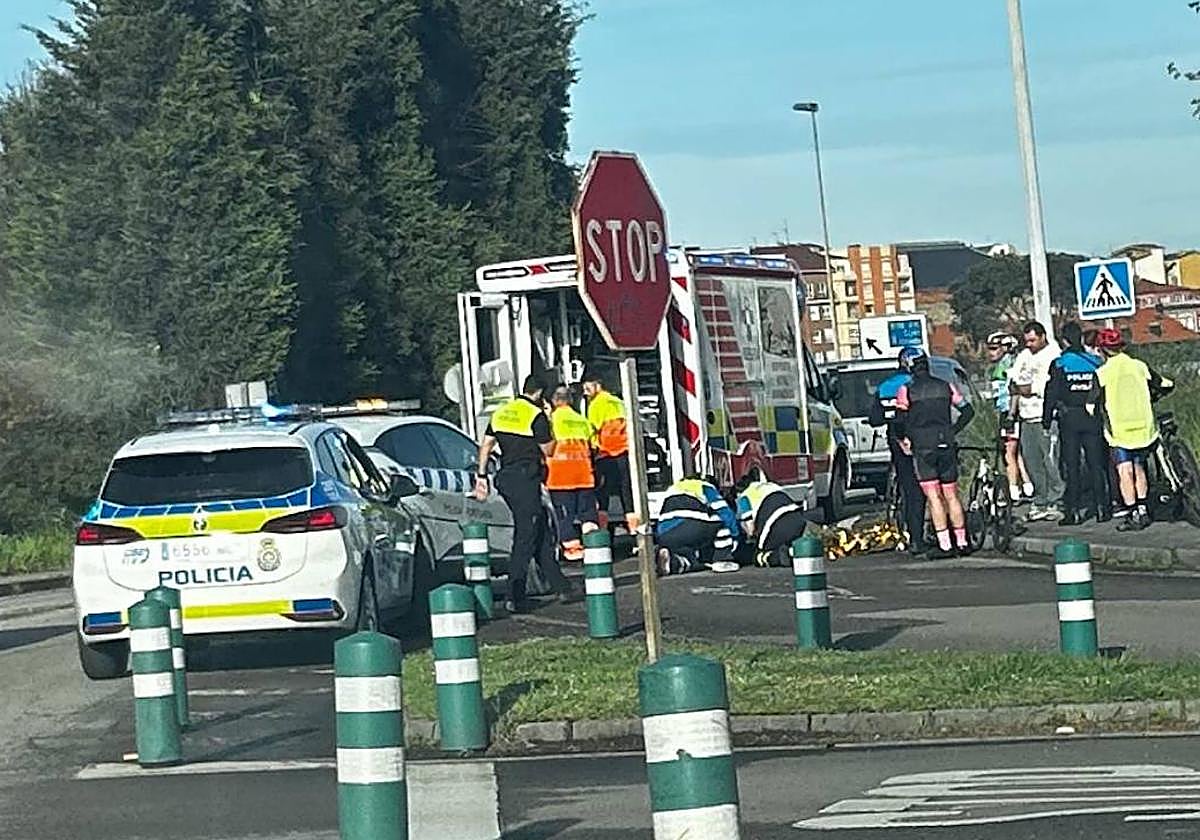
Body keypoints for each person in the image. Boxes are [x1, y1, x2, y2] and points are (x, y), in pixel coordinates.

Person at [474, 373, 579, 612]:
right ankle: (514, 595)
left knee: (539, 530)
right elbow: (549, 450)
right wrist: (551, 424)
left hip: (507, 478)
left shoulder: (502, 412)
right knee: (526, 535)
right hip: (525, 478)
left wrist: (481, 475)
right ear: (541, 393)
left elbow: (487, 445)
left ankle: (561, 586)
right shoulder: (536, 416)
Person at [1089, 328, 1175, 531]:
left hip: (1120, 432)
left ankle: (1133, 512)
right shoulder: (1139, 366)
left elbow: (1090, 404)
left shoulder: (1102, 373)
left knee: (1124, 471)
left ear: (1101, 350)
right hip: (1144, 428)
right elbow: (1163, 383)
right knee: (1139, 467)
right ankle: (1144, 509)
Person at [894, 348, 976, 556]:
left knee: (934, 497)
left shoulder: (907, 390)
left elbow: (899, 421)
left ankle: (945, 544)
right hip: (946, 442)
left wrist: (903, 438)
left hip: (923, 446)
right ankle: (962, 541)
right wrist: (953, 430)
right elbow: (967, 410)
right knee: (951, 495)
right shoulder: (945, 386)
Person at [1043, 322, 1110, 525]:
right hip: (1092, 417)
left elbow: (1051, 393)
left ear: (1064, 340)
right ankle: (1102, 509)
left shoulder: (1060, 364)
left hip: (1069, 419)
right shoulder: (1096, 362)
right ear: (1081, 338)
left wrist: (1046, 421)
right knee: (1096, 464)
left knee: (1070, 465)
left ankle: (1073, 512)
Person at [868, 347, 927, 556]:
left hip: (897, 440)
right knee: (922, 490)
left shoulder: (885, 386)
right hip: (922, 437)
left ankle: (913, 536)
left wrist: (888, 416)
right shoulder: (917, 385)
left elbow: (874, 419)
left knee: (909, 487)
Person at [1010, 320, 1064, 521]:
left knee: (1051, 460)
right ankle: (1040, 500)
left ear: (1042, 337)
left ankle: (1056, 500)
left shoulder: (1052, 355)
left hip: (1045, 416)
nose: (1030, 344)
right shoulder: (1024, 355)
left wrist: (1027, 389)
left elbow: (1042, 386)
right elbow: (1014, 380)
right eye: (1027, 341)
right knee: (1033, 462)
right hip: (1026, 416)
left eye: (1033, 340)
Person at [545, 385, 599, 561]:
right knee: (588, 515)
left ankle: (573, 551)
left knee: (564, 517)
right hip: (584, 476)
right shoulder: (582, 420)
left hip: (560, 478)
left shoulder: (550, 421)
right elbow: (594, 447)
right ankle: (594, 548)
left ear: (554, 401)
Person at [583, 373, 638, 535]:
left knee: (603, 494)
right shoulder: (618, 401)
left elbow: (593, 430)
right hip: (624, 452)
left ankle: (602, 530)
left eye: (587, 387)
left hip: (606, 454)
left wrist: (591, 449)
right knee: (627, 492)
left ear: (597, 385)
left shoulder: (596, 405)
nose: (585, 392)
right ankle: (634, 530)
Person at [654, 475, 739, 575]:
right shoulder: (704, 485)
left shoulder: (672, 489)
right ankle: (723, 560)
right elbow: (725, 512)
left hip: (665, 534)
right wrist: (735, 536)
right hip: (689, 524)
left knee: (690, 557)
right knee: (720, 523)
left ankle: (674, 563)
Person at [985, 331, 1032, 503]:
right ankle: (1027, 485)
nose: (991, 353)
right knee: (1016, 452)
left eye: (995, 348)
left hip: (1010, 412)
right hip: (1006, 410)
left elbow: (1013, 390)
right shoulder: (1001, 365)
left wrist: (1011, 413)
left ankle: (1013, 489)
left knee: (1009, 451)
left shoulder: (1008, 364)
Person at [733, 478, 807, 567]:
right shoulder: (770, 485)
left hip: (774, 524)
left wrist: (749, 535)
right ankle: (794, 552)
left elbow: (750, 528)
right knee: (788, 542)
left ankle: (779, 558)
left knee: (759, 555)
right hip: (797, 518)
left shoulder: (744, 496)